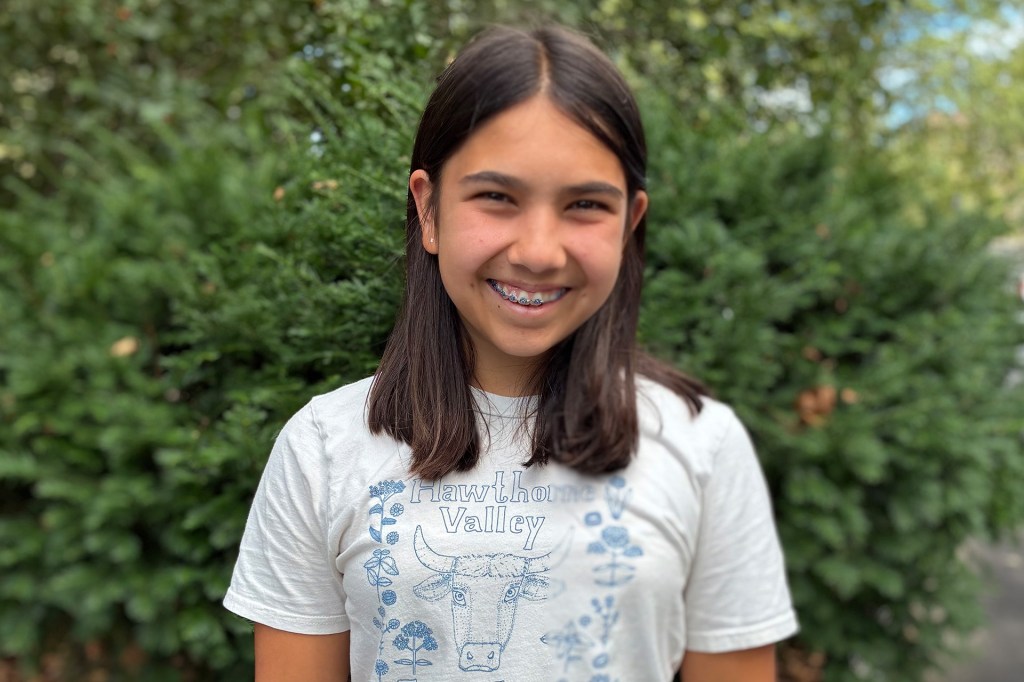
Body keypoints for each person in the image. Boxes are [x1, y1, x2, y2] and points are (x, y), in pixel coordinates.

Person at [224, 24, 798, 682]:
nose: (538, 250)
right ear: (429, 208)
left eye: (585, 204)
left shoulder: (703, 447)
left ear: (629, 225)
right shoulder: (323, 449)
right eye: (497, 197)